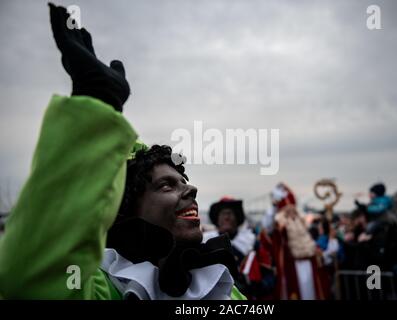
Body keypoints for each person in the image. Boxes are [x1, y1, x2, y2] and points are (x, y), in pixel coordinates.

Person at [0, 4, 245, 300]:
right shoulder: (102, 290)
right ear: (126, 211)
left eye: (184, 180)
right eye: (166, 184)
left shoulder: (221, 290)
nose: (190, 188)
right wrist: (96, 106)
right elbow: (33, 278)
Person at [259, 183, 328, 300]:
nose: (291, 212)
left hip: (309, 265)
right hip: (291, 267)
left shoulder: (302, 223)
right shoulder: (280, 226)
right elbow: (268, 228)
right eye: (288, 210)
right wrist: (274, 206)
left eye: (293, 209)